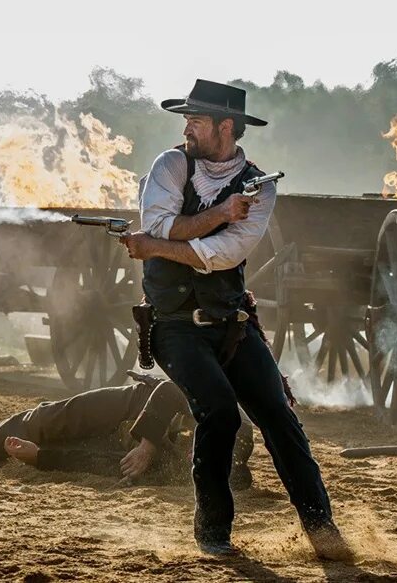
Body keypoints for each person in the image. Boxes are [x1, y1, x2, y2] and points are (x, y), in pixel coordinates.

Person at [117, 79, 350, 559]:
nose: (187, 127)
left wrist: (158, 247)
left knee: (281, 420)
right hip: (174, 326)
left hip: (231, 322)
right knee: (220, 412)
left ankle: (322, 531)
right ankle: (213, 533)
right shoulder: (169, 165)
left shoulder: (260, 188)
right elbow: (160, 221)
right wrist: (220, 212)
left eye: (196, 120)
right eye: (187, 119)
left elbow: (223, 256)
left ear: (226, 127)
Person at [0, 378, 255, 489]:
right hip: (131, 405)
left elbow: (105, 464)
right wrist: (148, 444)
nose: (191, 456)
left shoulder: (204, 476)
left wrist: (40, 457)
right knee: (49, 419)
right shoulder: (230, 421)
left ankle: (29, 446)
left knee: (57, 443)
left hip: (121, 443)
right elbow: (170, 390)